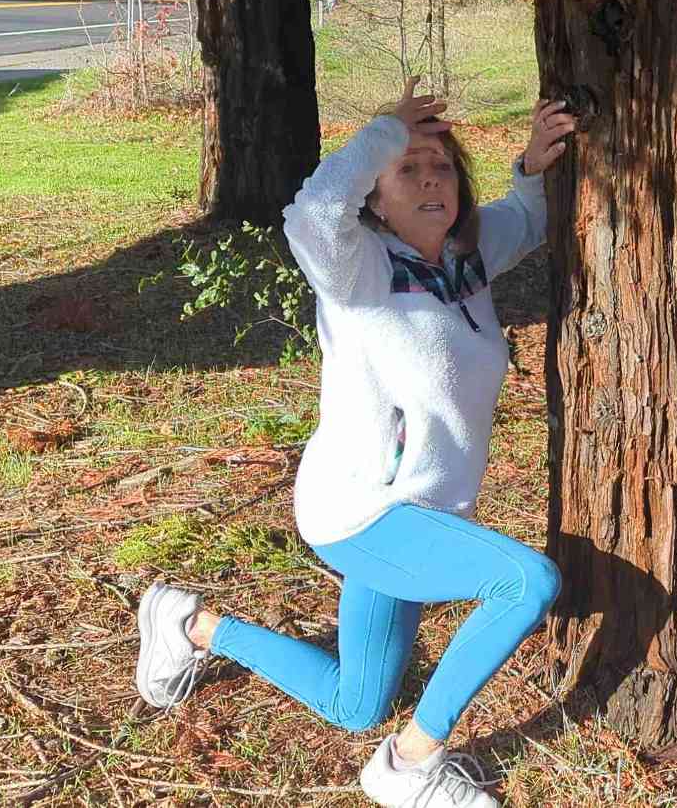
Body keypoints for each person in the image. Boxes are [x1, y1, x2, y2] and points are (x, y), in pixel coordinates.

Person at [132, 78, 578, 807]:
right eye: (409, 168)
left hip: (420, 511)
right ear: (376, 194)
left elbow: (525, 221)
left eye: (439, 166)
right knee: (524, 581)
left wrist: (530, 164)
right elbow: (310, 212)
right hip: (364, 511)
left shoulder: (462, 259)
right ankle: (407, 765)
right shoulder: (358, 270)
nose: (430, 177)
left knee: (355, 701)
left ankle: (186, 621)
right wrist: (381, 133)